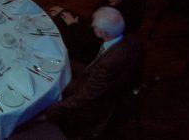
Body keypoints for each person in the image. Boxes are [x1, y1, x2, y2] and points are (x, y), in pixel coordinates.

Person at [42, 8, 144, 138]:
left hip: (98, 106)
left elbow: (85, 97)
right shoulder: (131, 38)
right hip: (107, 84)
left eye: (94, 27)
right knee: (62, 64)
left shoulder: (108, 64)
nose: (92, 27)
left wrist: (52, 110)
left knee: (49, 88)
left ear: (103, 32)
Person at [50, 0, 146, 63]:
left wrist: (73, 25)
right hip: (88, 30)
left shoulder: (116, 17)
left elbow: (91, 39)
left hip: (91, 47)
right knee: (56, 11)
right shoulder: (119, 1)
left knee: (55, 29)